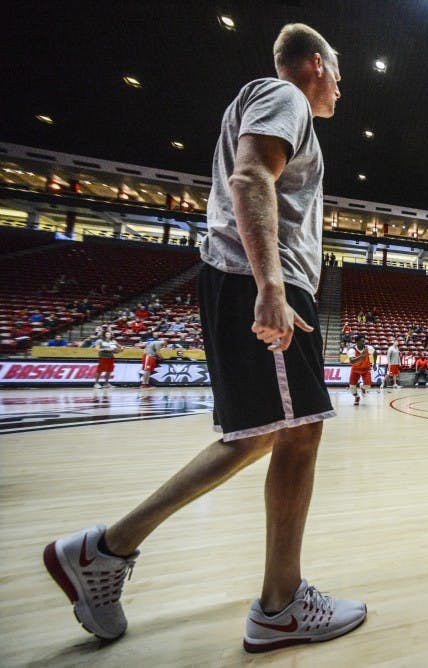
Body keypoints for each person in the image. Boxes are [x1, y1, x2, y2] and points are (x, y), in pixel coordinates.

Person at [43, 24, 366, 654]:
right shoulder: (287, 96)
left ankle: (107, 549)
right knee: (296, 437)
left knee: (267, 435)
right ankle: (278, 604)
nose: (340, 86)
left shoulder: (268, 104)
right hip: (258, 276)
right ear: (315, 65)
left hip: (245, 273)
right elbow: (250, 179)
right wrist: (271, 284)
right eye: (337, 71)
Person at [348, 333, 375, 405]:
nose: (364, 343)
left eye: (364, 341)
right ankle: (357, 397)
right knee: (352, 387)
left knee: (368, 386)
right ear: (357, 342)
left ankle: (362, 387)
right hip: (355, 369)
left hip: (366, 369)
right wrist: (361, 357)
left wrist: (375, 363)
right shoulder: (352, 350)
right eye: (362, 341)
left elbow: (375, 353)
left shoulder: (368, 348)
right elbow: (351, 361)